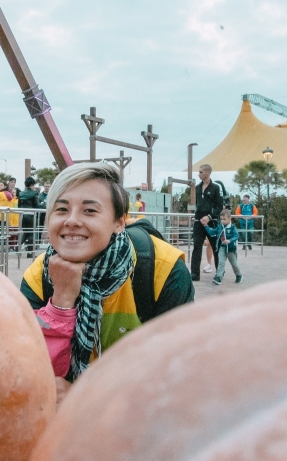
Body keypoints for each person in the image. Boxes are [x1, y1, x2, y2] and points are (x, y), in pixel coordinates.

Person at [21, 162, 194, 400]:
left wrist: (88, 396)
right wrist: (61, 299)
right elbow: (29, 373)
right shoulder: (38, 276)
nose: (71, 221)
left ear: (119, 222)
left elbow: (180, 374)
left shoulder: (161, 270)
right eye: (61, 210)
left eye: (89, 211)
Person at [190, 164, 226, 281]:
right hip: (198, 221)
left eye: (201, 172)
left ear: (207, 173)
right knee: (196, 247)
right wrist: (198, 217)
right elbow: (198, 203)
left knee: (216, 247)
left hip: (212, 222)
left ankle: (219, 272)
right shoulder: (198, 187)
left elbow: (220, 206)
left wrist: (209, 217)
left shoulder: (215, 188)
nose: (199, 174)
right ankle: (195, 274)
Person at [204, 209, 243, 285]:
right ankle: (218, 277)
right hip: (222, 247)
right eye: (221, 219)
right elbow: (212, 232)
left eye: (224, 219)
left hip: (231, 248)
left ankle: (238, 275)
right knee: (221, 262)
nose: (222, 221)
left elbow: (236, 236)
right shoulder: (220, 227)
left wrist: (230, 240)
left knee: (234, 263)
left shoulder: (232, 227)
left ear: (229, 218)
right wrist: (206, 226)